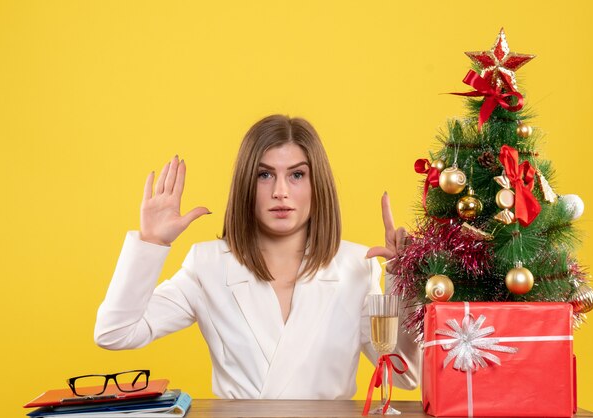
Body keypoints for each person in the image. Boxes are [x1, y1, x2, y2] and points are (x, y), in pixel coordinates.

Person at [94, 114, 420, 399]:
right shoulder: (208, 264)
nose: (281, 191)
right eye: (265, 175)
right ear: (246, 185)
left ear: (317, 183)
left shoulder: (355, 266)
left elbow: (405, 375)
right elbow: (116, 332)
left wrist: (401, 280)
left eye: (296, 175)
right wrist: (151, 243)